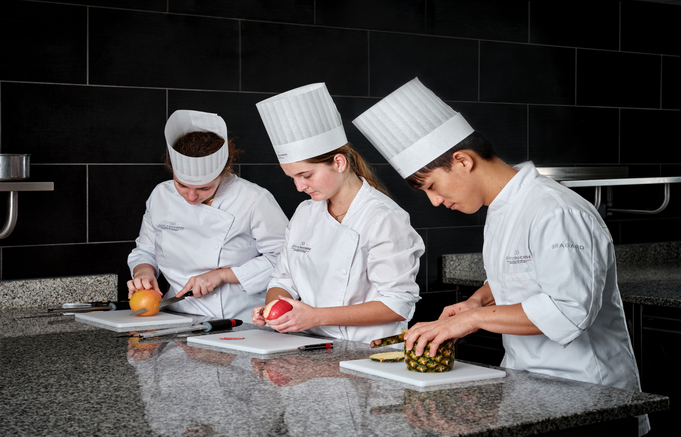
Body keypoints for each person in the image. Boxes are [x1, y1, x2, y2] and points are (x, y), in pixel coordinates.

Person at [353, 78, 649, 435]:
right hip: (530, 389)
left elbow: (568, 310)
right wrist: (477, 300)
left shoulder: (556, 211)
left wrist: (471, 321)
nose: (434, 201)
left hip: (592, 398)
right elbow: (521, 271)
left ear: (462, 160)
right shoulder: (502, 206)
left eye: (431, 186)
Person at [250, 83, 424, 343]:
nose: (299, 187)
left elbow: (396, 305)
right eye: (293, 178)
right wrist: (273, 310)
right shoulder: (305, 213)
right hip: (312, 347)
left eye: (306, 175)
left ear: (339, 163)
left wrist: (316, 316)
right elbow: (282, 280)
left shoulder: (384, 217)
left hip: (368, 355)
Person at [127, 110, 289, 320]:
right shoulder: (160, 195)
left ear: (225, 170)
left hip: (237, 321)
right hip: (174, 316)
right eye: (182, 185)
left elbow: (285, 260)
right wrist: (144, 273)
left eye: (204, 188)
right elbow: (146, 250)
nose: (192, 197)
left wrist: (222, 275)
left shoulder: (253, 198)